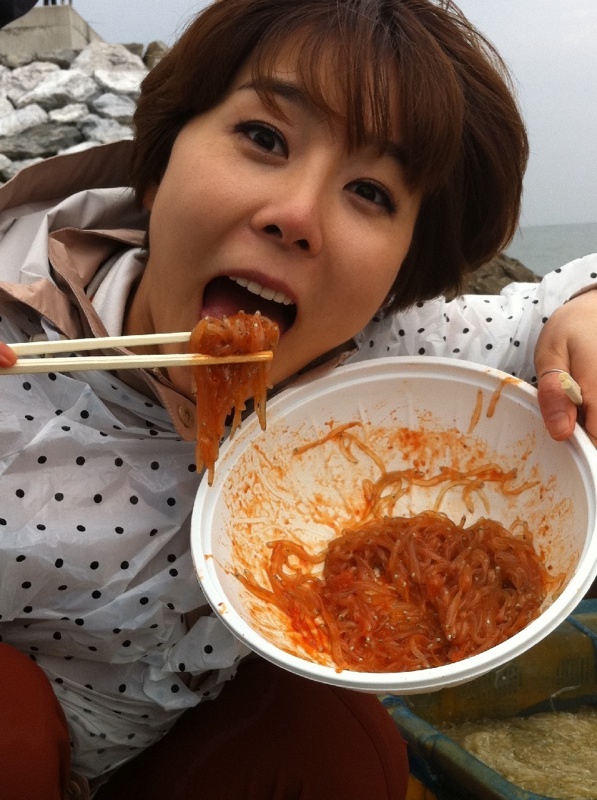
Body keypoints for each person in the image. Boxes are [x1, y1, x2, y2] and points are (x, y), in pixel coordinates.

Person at [0, 0, 596, 797]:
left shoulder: (382, 364)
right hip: (34, 745)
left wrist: (583, 311)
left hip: (178, 739)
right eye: (264, 137)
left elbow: (547, 304)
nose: (296, 217)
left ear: (400, 273)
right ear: (159, 161)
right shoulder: (18, 365)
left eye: (370, 192)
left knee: (344, 747)